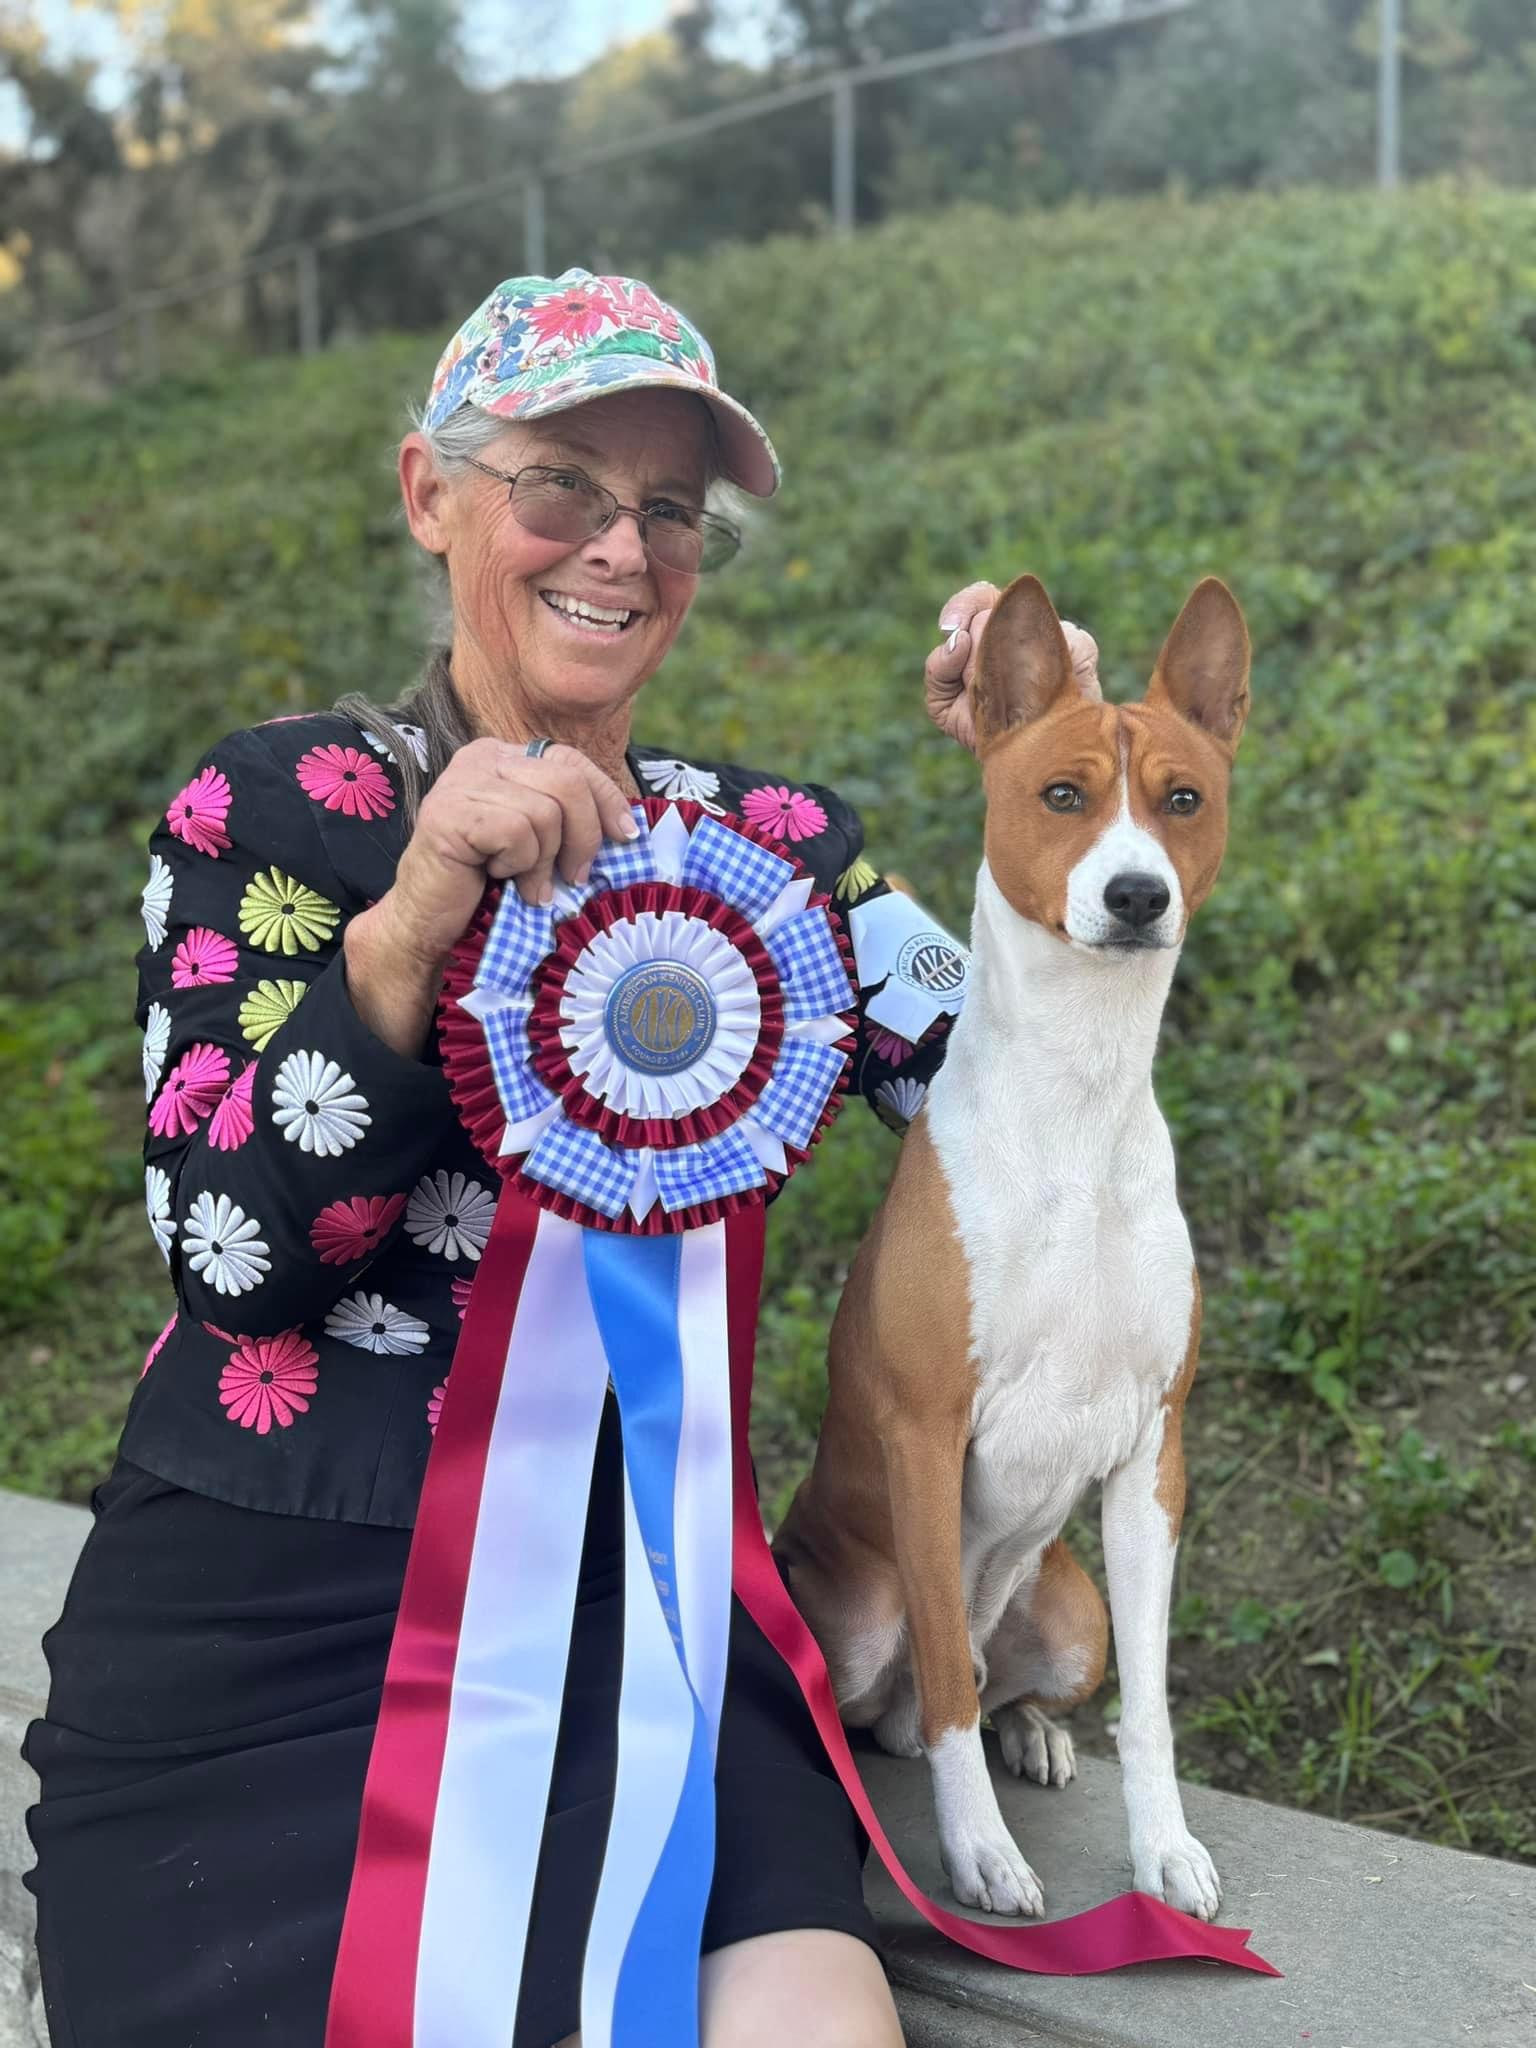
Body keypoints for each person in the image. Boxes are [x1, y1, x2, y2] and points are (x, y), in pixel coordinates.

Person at [23, 267, 1095, 2048]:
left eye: (671, 510)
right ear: (429, 494)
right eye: (561, 486)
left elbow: (1034, 1105)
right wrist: (406, 927)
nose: (620, 547)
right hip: (271, 1622)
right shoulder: (273, 811)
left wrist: (1047, 770)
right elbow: (232, 1257)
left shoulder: (774, 855)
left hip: (650, 1618)